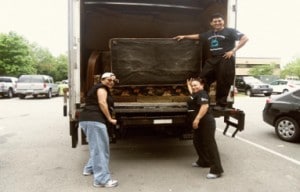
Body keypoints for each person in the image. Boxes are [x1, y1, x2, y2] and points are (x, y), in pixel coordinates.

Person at [175, 13, 248, 108]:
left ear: (223, 21)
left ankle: (221, 104)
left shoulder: (230, 31)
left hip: (226, 58)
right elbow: (198, 36)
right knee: (202, 78)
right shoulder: (209, 33)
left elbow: (245, 38)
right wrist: (184, 36)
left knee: (223, 81)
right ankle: (203, 100)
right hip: (213, 59)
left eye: (219, 20)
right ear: (211, 23)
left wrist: (233, 51)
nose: (217, 23)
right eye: (215, 21)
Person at [79, 72, 118, 188]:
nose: (111, 82)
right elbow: (102, 103)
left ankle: (89, 169)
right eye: (108, 80)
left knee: (97, 147)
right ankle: (101, 180)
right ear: (102, 79)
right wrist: (110, 119)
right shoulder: (101, 88)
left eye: (113, 80)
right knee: (101, 149)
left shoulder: (98, 88)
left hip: (88, 120)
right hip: (94, 120)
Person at [186, 78, 223, 179]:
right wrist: (189, 85)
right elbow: (192, 94)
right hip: (199, 123)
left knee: (210, 145)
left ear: (202, 85)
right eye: (193, 85)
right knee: (197, 141)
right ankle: (204, 161)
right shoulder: (195, 93)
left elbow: (204, 107)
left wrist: (197, 119)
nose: (194, 87)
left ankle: (216, 170)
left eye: (196, 85)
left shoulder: (202, 93)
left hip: (206, 122)